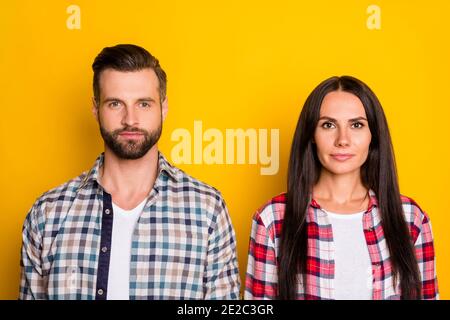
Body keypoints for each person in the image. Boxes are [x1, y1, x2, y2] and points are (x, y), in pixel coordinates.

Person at [19, 44, 240, 300]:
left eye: (144, 104)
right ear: (95, 108)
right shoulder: (47, 215)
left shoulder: (207, 211)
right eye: (115, 104)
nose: (130, 119)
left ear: (164, 108)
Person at [245, 76, 438, 300]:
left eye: (356, 125)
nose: (342, 140)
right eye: (328, 125)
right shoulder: (272, 219)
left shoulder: (411, 218)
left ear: (372, 135)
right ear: (312, 135)